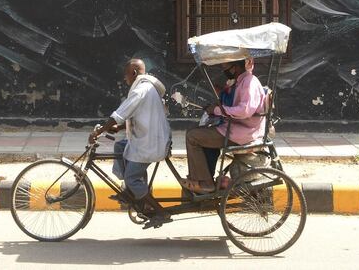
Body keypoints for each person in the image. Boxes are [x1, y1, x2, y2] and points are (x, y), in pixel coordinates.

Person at [89, 58, 172, 224]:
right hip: (149, 139)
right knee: (120, 146)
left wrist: (100, 130)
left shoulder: (140, 90)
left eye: (125, 75)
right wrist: (118, 128)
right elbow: (137, 116)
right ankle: (131, 192)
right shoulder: (146, 88)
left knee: (131, 178)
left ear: (134, 73)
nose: (124, 79)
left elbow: (121, 113)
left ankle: (158, 211)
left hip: (150, 144)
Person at [182, 56, 267, 194]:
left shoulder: (249, 82)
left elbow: (245, 110)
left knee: (192, 136)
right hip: (236, 128)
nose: (225, 72)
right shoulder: (240, 81)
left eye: (226, 68)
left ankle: (204, 183)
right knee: (203, 134)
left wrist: (217, 110)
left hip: (241, 133)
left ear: (236, 67)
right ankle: (206, 177)